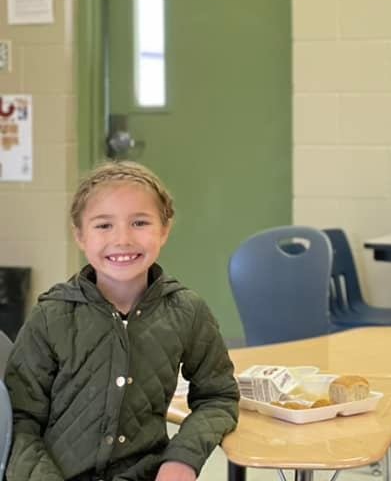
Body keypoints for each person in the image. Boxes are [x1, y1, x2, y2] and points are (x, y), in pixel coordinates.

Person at [5, 161, 239, 481]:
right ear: (80, 235)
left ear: (165, 230)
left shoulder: (188, 311)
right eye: (104, 226)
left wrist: (182, 460)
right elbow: (18, 419)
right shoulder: (51, 316)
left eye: (140, 223)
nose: (123, 239)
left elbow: (218, 396)